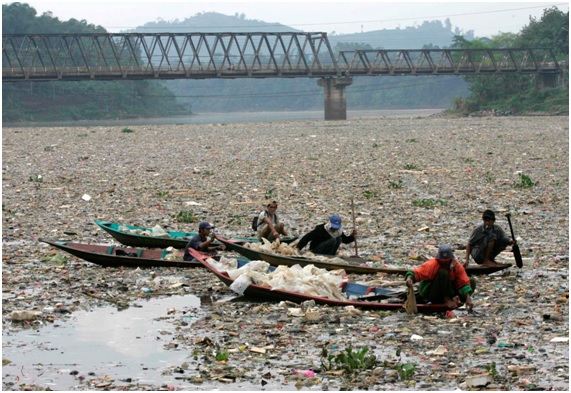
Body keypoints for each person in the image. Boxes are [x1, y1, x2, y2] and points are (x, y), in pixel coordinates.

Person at [405, 244, 475, 311]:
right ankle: (447, 300)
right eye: (442, 262)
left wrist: (468, 297)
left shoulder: (455, 265)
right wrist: (409, 278)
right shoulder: (432, 264)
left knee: (471, 282)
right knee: (443, 272)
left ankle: (456, 299)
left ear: (450, 260)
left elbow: (463, 282)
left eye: (446, 262)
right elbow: (415, 273)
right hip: (433, 293)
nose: (444, 264)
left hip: (449, 290)